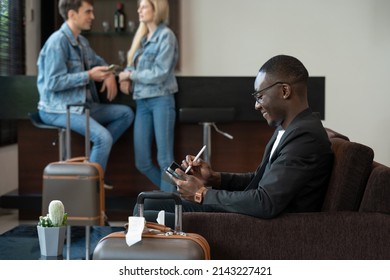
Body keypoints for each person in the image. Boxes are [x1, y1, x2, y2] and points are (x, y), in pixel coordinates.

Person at [135, 55, 334, 226]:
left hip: (261, 227)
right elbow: (260, 179)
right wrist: (214, 178)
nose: (257, 105)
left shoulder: (304, 136)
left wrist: (202, 193)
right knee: (147, 202)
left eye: (260, 96)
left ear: (284, 91)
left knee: (145, 214)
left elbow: (265, 201)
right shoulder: (289, 129)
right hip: (251, 217)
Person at [37, 0, 134, 189]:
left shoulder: (82, 41)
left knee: (126, 113)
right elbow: (53, 82)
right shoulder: (57, 42)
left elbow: (99, 62)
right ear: (72, 14)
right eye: (88, 12)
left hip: (82, 106)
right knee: (103, 138)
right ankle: (90, 187)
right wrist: (89, 75)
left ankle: (90, 164)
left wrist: (109, 74)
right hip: (56, 109)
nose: (93, 17)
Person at [118, 0, 179, 192]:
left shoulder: (166, 36)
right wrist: (125, 76)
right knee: (142, 161)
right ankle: (172, 193)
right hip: (142, 101)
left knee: (165, 160)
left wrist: (131, 75)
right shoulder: (142, 38)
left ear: (156, 9)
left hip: (161, 99)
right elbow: (132, 64)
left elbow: (160, 72)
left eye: (144, 6)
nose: (139, 10)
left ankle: (168, 207)